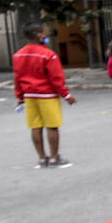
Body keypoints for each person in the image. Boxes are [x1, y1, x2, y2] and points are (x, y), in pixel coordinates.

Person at [12, 20, 76, 168]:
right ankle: (54, 158)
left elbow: (17, 78)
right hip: (47, 95)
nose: (47, 34)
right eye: (44, 31)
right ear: (38, 35)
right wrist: (66, 95)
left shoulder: (18, 55)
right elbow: (56, 79)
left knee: (36, 127)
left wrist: (20, 97)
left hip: (29, 96)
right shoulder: (49, 55)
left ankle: (42, 158)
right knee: (52, 126)